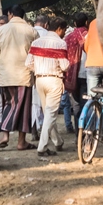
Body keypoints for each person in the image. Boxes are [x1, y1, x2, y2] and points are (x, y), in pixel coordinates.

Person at [0, 4, 38, 150]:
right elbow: (36, 53)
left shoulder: (0, 31)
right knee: (23, 108)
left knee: (8, 104)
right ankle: (21, 141)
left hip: (5, 74)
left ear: (10, 14)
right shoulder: (32, 31)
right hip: (24, 74)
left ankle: (5, 135)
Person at [26, 17, 69, 157]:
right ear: (59, 29)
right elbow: (64, 66)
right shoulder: (61, 43)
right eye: (64, 30)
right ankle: (42, 147)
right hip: (54, 80)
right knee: (50, 114)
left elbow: (28, 63)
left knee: (48, 113)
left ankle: (57, 141)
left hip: (39, 80)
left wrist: (38, 68)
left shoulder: (36, 42)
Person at [64, 12, 89, 129]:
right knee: (85, 105)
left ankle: (77, 135)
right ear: (86, 22)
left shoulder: (68, 37)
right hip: (85, 74)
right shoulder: (89, 35)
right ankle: (85, 133)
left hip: (71, 76)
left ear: (74, 23)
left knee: (76, 106)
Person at [84, 18, 103, 94]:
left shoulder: (93, 22)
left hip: (92, 63)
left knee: (91, 95)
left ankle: (92, 103)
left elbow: (86, 46)